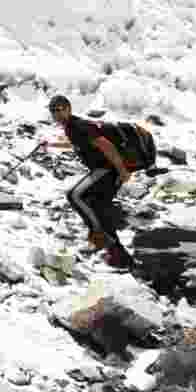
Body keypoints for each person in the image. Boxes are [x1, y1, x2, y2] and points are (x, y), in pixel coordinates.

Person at [43, 95, 135, 269]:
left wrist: (122, 170)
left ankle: (105, 243)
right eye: (53, 110)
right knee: (96, 205)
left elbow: (105, 145)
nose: (56, 113)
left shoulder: (78, 126)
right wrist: (52, 146)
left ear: (69, 108)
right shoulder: (71, 128)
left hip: (109, 170)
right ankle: (114, 252)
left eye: (60, 109)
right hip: (104, 171)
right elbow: (82, 146)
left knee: (76, 196)